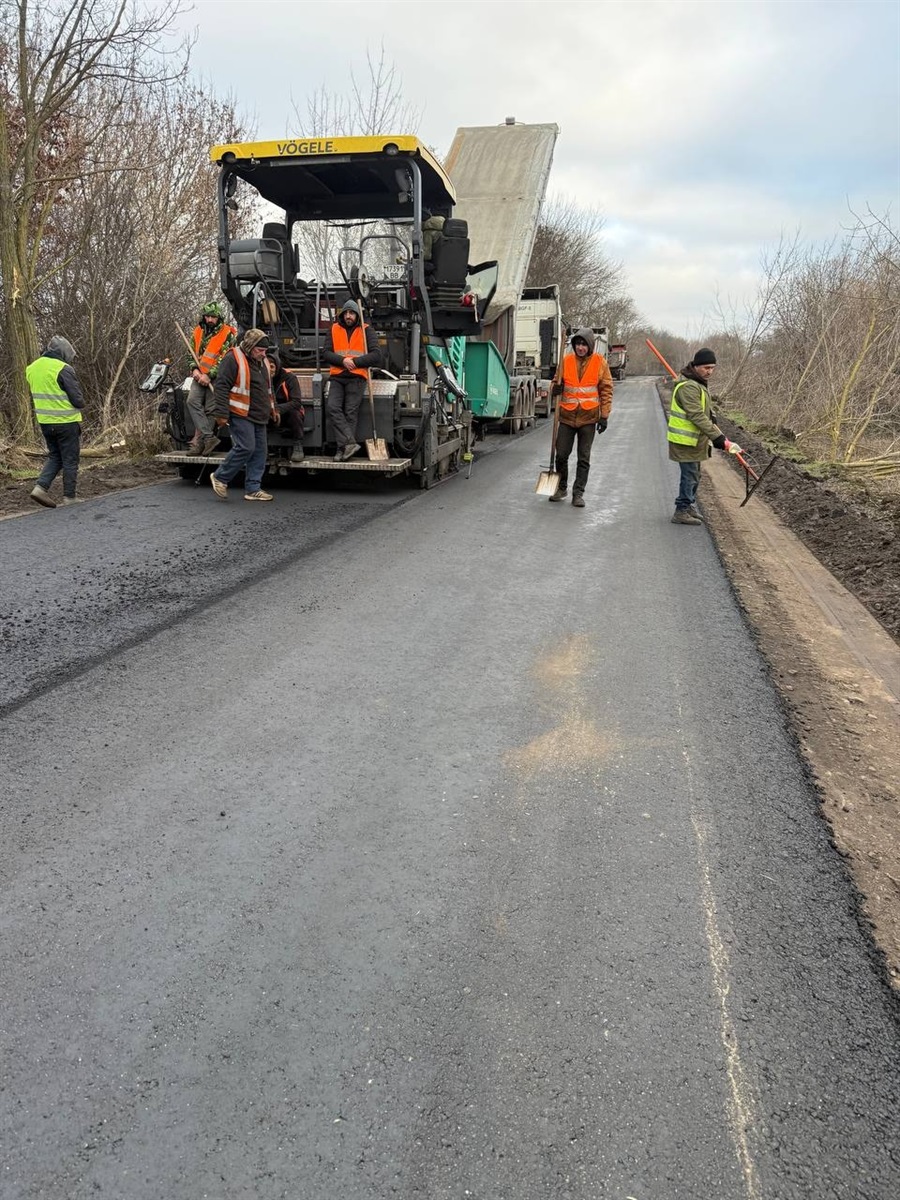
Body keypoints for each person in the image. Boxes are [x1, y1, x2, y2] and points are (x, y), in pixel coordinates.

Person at [667, 348, 743, 525]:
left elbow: (703, 409)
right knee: (690, 475)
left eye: (712, 368)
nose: (709, 371)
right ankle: (682, 510)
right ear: (696, 366)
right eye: (706, 367)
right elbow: (696, 415)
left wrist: (712, 414)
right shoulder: (688, 386)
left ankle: (689, 505)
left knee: (695, 475)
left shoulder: (698, 383)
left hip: (695, 440)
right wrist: (718, 438)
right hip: (685, 440)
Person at [209, 328, 277, 502]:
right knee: (246, 447)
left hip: (259, 414)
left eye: (265, 351)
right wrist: (222, 414)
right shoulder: (233, 358)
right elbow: (222, 387)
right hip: (240, 412)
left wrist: (273, 409)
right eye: (260, 350)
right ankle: (220, 477)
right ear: (250, 346)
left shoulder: (263, 362)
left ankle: (253, 488)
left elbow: (267, 389)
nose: (263, 354)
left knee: (260, 452)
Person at [548, 327, 613, 507]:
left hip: (588, 417)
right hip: (567, 416)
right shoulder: (566, 361)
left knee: (583, 458)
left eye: (584, 344)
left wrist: (604, 416)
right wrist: (555, 389)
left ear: (590, 346)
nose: (580, 348)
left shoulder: (600, 363)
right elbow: (554, 384)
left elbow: (606, 390)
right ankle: (561, 488)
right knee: (561, 455)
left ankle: (578, 493)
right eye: (578, 344)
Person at [26, 335, 85, 508]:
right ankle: (69, 497)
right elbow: (77, 400)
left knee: (55, 456)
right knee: (70, 459)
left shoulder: (31, 368)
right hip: (66, 421)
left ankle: (40, 488)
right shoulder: (63, 368)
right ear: (63, 353)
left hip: (45, 421)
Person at [323, 300, 382, 461]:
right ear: (342, 315)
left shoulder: (366, 330)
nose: (348, 316)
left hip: (357, 377)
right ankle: (349, 443)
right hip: (337, 376)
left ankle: (342, 450)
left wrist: (354, 362)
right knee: (333, 407)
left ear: (357, 315)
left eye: (352, 313)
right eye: (346, 313)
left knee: (350, 413)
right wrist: (342, 361)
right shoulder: (334, 329)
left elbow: (376, 355)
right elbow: (326, 353)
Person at [184, 301, 237, 456]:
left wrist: (209, 375)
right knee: (192, 402)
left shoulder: (228, 333)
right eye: (207, 316)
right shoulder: (197, 331)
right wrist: (194, 369)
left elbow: (225, 358)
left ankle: (200, 444)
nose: (209, 320)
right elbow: (191, 353)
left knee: (210, 410)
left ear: (218, 316)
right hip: (199, 376)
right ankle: (209, 437)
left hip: (217, 377)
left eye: (213, 316)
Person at [266, 353, 306, 462]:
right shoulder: (260, 378)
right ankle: (263, 448)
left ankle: (298, 445)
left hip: (287, 413)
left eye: (272, 366)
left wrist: (278, 409)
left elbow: (296, 402)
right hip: (269, 413)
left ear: (277, 366)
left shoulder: (289, 377)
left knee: (295, 413)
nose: (269, 370)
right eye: (266, 366)